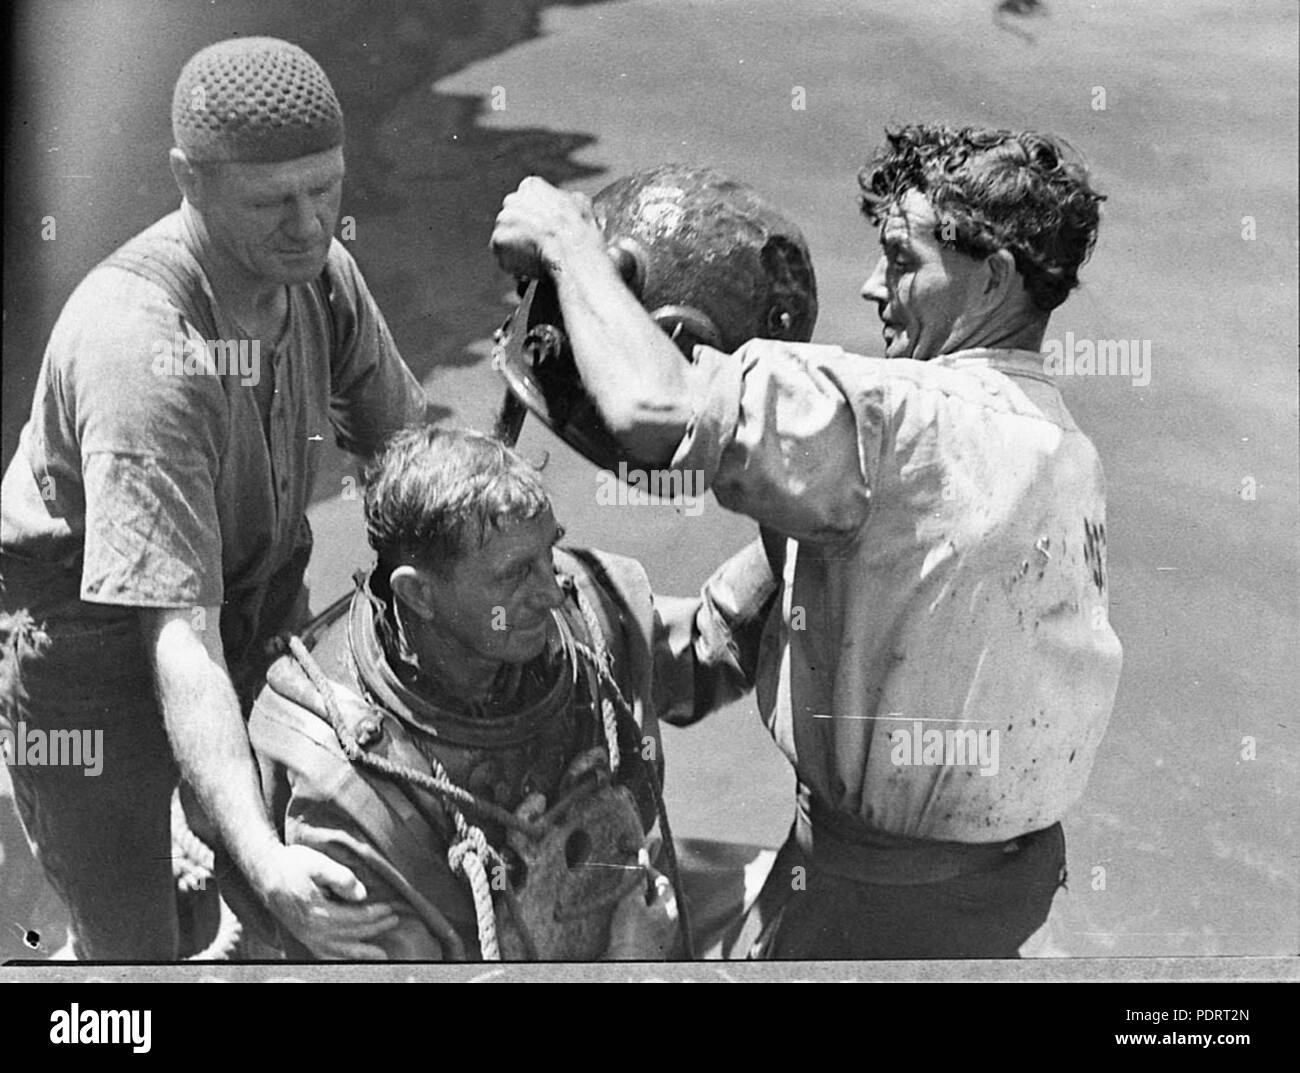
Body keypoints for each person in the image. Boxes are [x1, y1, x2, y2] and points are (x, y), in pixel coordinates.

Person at [489, 126, 1125, 957]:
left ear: (992, 280)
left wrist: (575, 248)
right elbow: (710, 649)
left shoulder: (906, 420)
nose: (871, 286)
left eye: (901, 259)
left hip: (872, 913)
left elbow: (656, 412)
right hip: (999, 889)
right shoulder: (1058, 453)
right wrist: (573, 613)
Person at [0, 37, 431, 960]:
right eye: (273, 200)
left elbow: (410, 461)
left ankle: (229, 891)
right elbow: (176, 637)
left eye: (327, 189)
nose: (310, 226)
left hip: (256, 617)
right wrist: (265, 859)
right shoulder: (141, 349)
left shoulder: (315, 273)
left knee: (305, 906)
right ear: (187, 180)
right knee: (132, 961)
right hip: (95, 660)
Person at [245, 426, 772, 960]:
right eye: (517, 574)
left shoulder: (581, 616)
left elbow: (703, 657)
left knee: (788, 906)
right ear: (418, 594)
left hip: (632, 910)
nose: (550, 591)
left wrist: (792, 540)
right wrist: (625, 964)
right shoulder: (346, 785)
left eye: (550, 551)